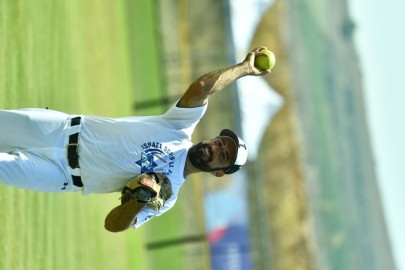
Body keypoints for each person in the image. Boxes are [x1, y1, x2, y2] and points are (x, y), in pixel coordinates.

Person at [0, 46, 271, 232]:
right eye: (219, 142)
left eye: (222, 155)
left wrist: (137, 201)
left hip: (62, 175)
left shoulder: (169, 195)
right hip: (59, 128)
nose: (214, 148)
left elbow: (113, 225)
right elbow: (201, 88)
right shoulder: (179, 127)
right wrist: (244, 69)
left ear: (219, 173)